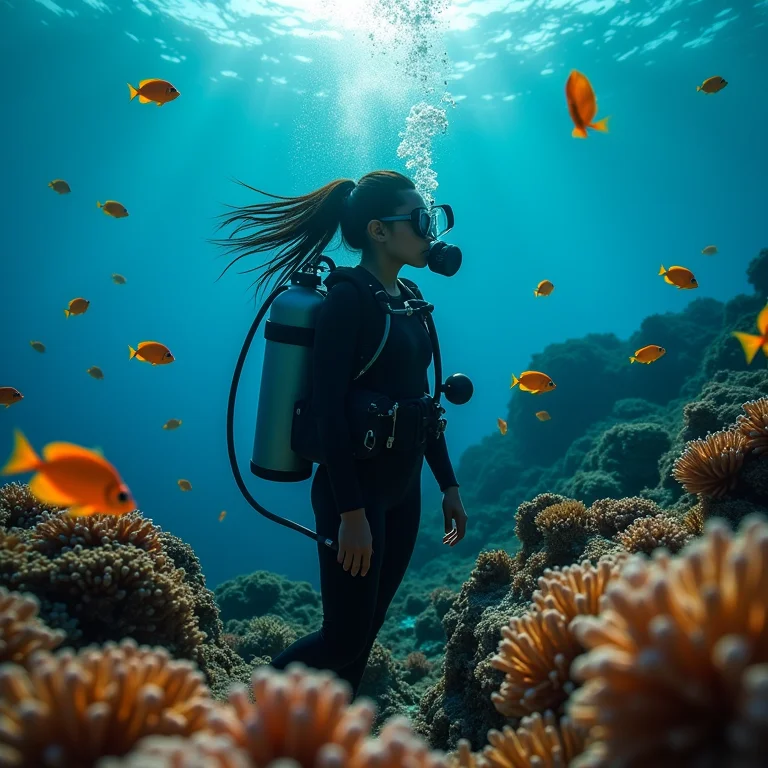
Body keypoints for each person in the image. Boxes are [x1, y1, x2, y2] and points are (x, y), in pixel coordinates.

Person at [214, 170, 468, 697]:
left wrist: (448, 484)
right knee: (342, 639)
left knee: (365, 633)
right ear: (378, 230)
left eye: (433, 220)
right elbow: (327, 411)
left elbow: (422, 401)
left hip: (404, 491)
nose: (431, 234)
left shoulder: (410, 296)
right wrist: (352, 513)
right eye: (421, 222)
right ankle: (233, 713)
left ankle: (330, 738)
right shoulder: (347, 300)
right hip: (353, 493)